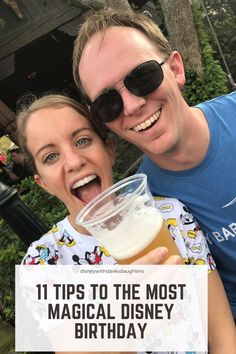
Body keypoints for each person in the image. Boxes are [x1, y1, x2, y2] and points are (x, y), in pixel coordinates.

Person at [16, 94, 236, 353]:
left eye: (82, 140)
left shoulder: (171, 216)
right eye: (50, 157)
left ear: (109, 149)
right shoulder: (44, 263)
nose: (74, 162)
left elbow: (223, 337)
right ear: (43, 183)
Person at [72, 8, 236, 321]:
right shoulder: (146, 208)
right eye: (108, 103)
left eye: (143, 77)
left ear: (175, 68)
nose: (132, 106)